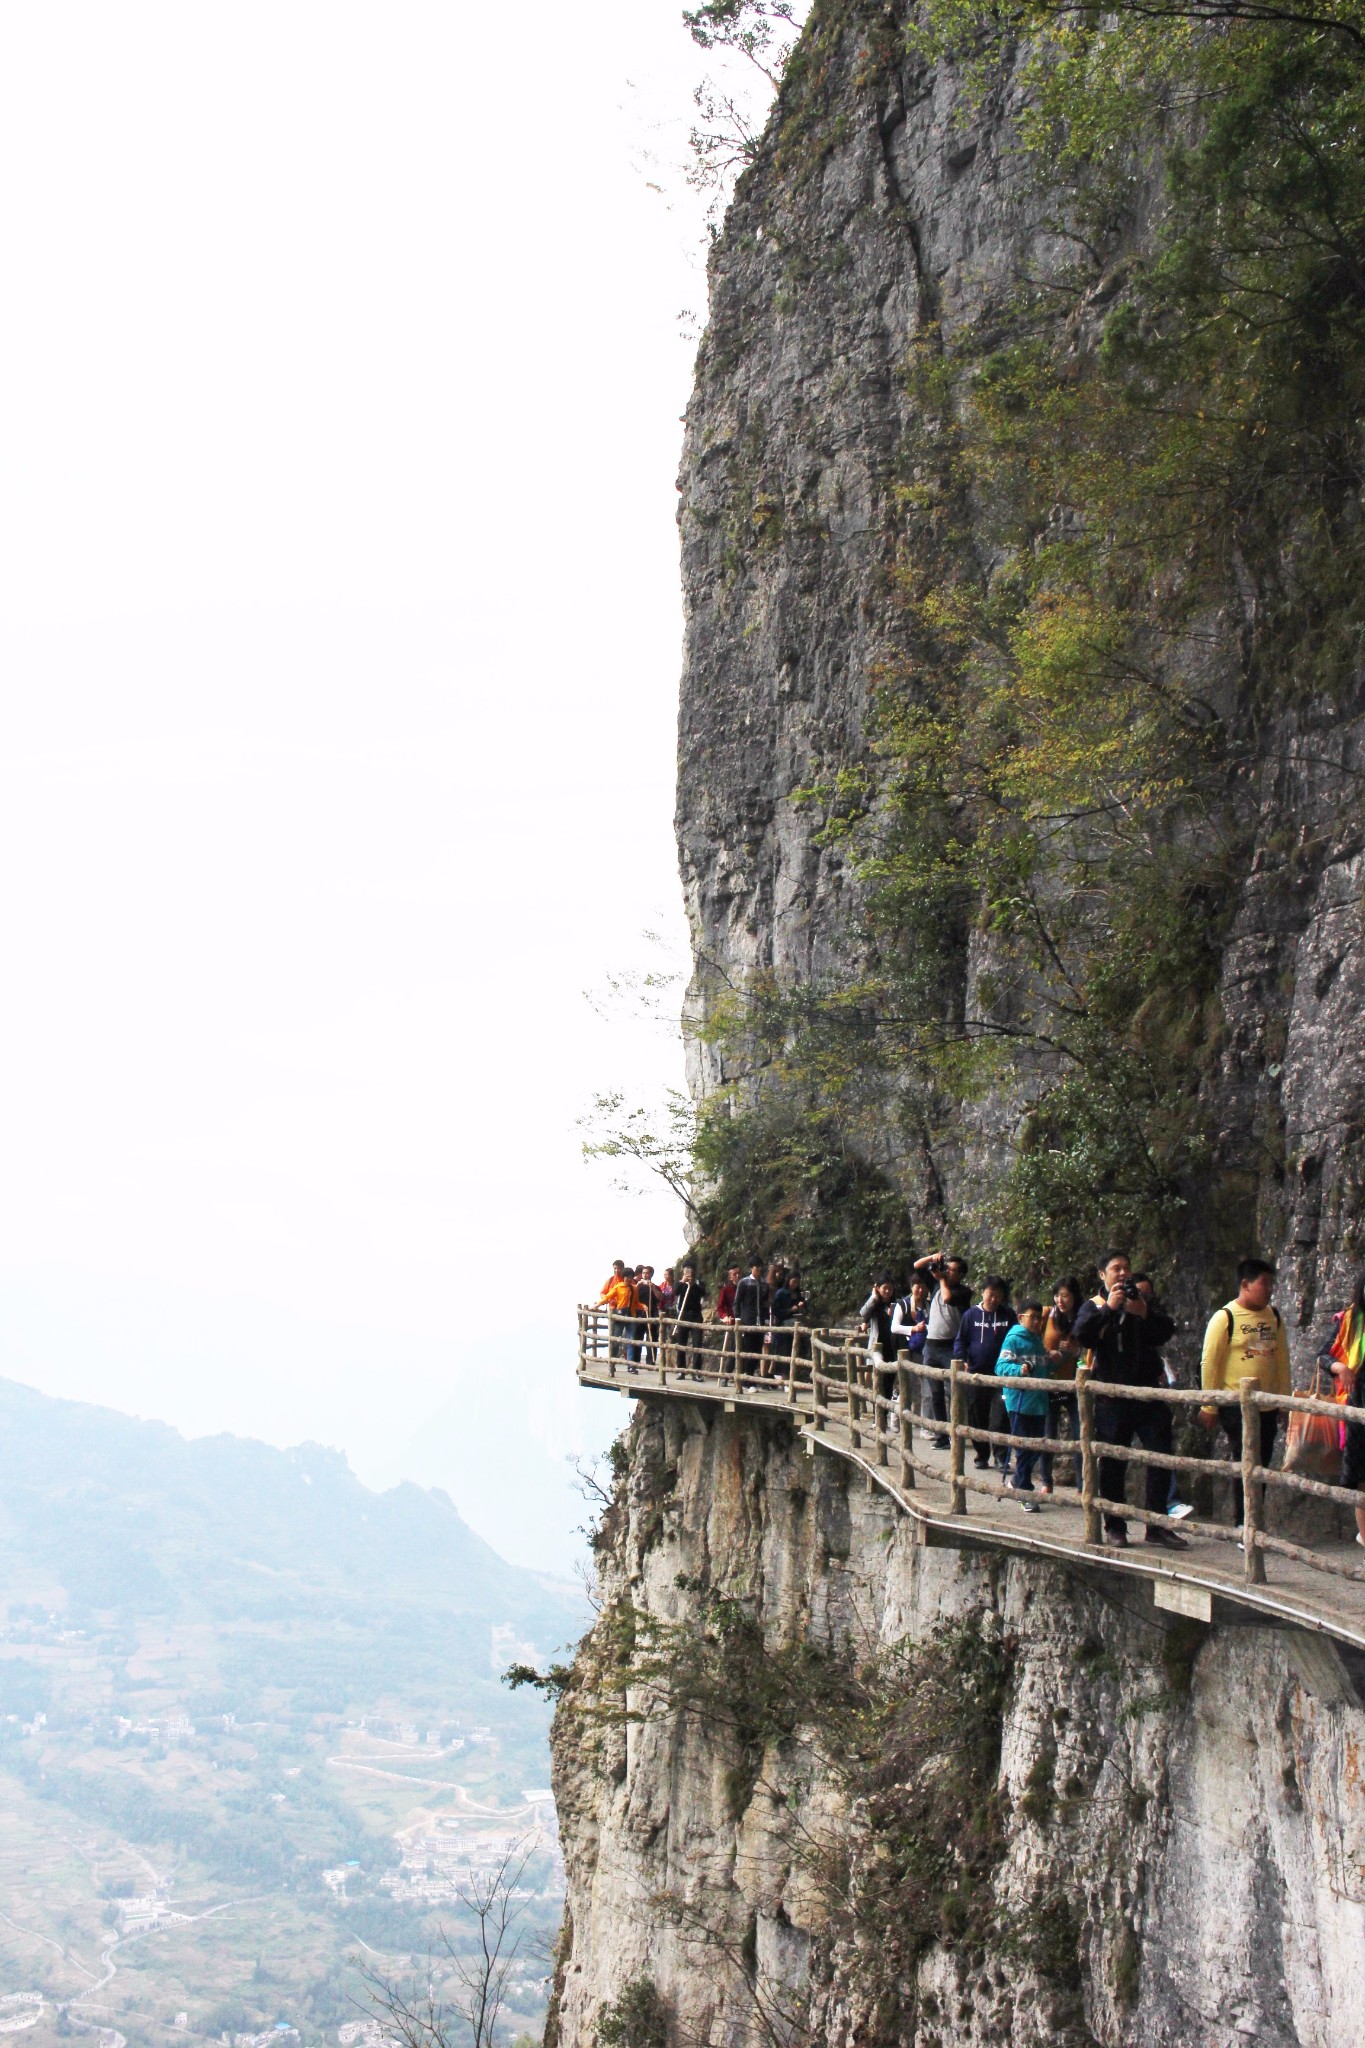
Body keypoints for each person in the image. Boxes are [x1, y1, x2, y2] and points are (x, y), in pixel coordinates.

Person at [1073, 1251, 1189, 1550]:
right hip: (1112, 1397)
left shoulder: (1143, 1300)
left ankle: (1157, 1525)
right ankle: (1115, 1525)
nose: (1123, 1273)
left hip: (1148, 1394)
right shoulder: (1095, 1306)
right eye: (1116, 1269)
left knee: (1160, 1457)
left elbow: (1165, 1331)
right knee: (1112, 1464)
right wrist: (1110, 1310)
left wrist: (1143, 1313)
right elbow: (1082, 1335)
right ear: (1102, 1275)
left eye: (1126, 1267)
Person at [1199, 1256, 1291, 1531]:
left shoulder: (1273, 1316)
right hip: (1235, 1405)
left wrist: (1284, 1402)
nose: (1269, 1289)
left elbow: (1282, 1361)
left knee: (1260, 1462)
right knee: (1245, 1458)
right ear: (1245, 1284)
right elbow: (1210, 1363)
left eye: (1272, 1283)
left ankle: (1254, 1520)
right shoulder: (1225, 1317)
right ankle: (1243, 1522)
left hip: (1267, 1405)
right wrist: (1209, 1406)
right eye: (1264, 1283)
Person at [954, 1276, 1014, 1472]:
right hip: (976, 1375)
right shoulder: (970, 1315)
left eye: (998, 1295)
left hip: (1001, 1375)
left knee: (1000, 1417)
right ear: (983, 1292)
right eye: (991, 1294)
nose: (994, 1299)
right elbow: (960, 1341)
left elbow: (1016, 1338)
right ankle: (981, 1455)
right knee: (976, 1416)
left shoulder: (1008, 1315)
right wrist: (961, 1359)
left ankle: (1001, 1456)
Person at [915, 1250, 972, 1450]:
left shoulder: (964, 1292)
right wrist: (933, 1258)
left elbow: (947, 1298)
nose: (948, 1272)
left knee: (955, 1391)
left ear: (961, 1275)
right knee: (935, 1392)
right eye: (947, 1268)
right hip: (931, 1345)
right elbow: (917, 1266)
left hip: (950, 1346)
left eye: (953, 1270)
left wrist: (940, 1279)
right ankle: (941, 1436)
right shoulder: (937, 1284)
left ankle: (957, 1432)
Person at [997, 1301, 1050, 1512]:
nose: (1036, 1321)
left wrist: (1056, 1357)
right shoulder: (1013, 1340)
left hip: (1039, 1403)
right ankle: (1025, 1492)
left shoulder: (1037, 1340)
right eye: (1032, 1317)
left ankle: (1017, 1481)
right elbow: (1001, 1366)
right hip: (1019, 1402)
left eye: (1039, 1317)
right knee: (1023, 1448)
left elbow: (1043, 1368)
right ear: (1021, 1318)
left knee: (1035, 1448)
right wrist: (1020, 1370)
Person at [1326, 1274, 1365, 1548]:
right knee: (1362, 1478)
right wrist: (1340, 1368)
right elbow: (1323, 1354)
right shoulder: (1350, 1320)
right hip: (1358, 1404)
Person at [1039, 1277, 1083, 1493]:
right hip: (1050, 1384)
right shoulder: (1047, 1314)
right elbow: (1031, 1338)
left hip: (1074, 1385)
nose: (1060, 1300)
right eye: (1057, 1295)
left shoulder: (1083, 1317)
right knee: (1048, 1434)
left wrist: (1077, 1351)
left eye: (1065, 1295)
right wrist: (1049, 1353)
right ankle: (1046, 1481)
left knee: (1080, 1435)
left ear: (1074, 1296)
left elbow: (1091, 1348)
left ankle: (1084, 1486)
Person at [891, 1278, 930, 1429]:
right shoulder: (903, 1304)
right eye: (917, 1287)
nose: (920, 1290)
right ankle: (895, 1418)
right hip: (906, 1350)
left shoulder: (927, 1305)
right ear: (912, 1287)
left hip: (923, 1350)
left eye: (923, 1287)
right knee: (904, 1387)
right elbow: (894, 1327)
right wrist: (913, 1329)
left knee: (921, 1389)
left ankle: (916, 1420)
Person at [859, 1272, 900, 1411]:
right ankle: (877, 1414)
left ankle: (884, 1412)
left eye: (890, 1288)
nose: (888, 1291)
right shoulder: (874, 1304)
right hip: (877, 1346)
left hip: (892, 1346)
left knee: (889, 1381)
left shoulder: (897, 1305)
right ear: (878, 1288)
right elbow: (863, 1313)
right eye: (884, 1288)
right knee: (876, 1381)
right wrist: (873, 1297)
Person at [598, 1259, 638, 1366]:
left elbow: (634, 1294)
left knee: (627, 1335)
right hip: (613, 1309)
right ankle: (613, 1358)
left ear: (623, 1268)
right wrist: (610, 1299)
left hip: (627, 1310)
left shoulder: (629, 1281)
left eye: (619, 1268)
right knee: (614, 1335)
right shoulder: (611, 1280)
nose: (617, 1271)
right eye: (615, 1268)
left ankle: (626, 1357)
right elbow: (603, 1293)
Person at [734, 1259, 770, 1377]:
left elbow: (765, 1304)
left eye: (760, 1266)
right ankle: (747, 1378)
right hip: (747, 1321)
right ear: (751, 1268)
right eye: (756, 1266)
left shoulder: (764, 1284)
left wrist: (766, 1319)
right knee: (748, 1350)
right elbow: (737, 1302)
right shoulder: (744, 1283)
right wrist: (738, 1318)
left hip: (760, 1322)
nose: (759, 1269)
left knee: (758, 1350)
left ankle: (750, 1377)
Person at [671, 1262, 706, 1377]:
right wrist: (683, 1281)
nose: (688, 1272)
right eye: (686, 1270)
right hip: (683, 1315)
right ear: (682, 1270)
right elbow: (675, 1291)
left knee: (697, 1344)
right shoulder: (679, 1283)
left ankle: (696, 1372)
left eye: (690, 1269)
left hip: (696, 1315)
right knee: (681, 1344)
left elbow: (703, 1293)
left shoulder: (699, 1283)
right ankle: (681, 1370)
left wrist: (693, 1284)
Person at [634, 1263, 663, 1366]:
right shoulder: (638, 1286)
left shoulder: (655, 1287)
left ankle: (651, 1361)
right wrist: (637, 1286)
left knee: (652, 1338)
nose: (645, 1275)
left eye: (647, 1273)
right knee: (638, 1338)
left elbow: (660, 1298)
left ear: (651, 1274)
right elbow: (631, 1297)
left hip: (652, 1315)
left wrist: (653, 1288)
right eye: (643, 1273)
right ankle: (636, 1360)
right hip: (640, 1315)